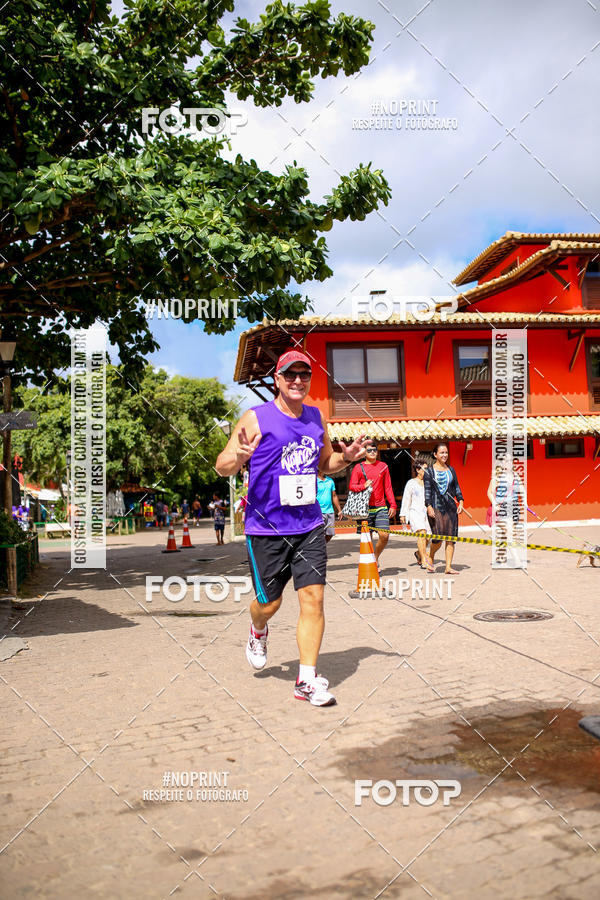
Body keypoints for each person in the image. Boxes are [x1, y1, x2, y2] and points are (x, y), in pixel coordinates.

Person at [215, 349, 368, 707]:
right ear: (277, 380)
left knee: (313, 599)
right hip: (266, 528)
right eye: (290, 374)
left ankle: (306, 679)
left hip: (309, 524)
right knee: (269, 603)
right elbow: (222, 465)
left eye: (304, 374)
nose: (298, 380)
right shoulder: (256, 417)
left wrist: (345, 458)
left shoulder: (316, 418)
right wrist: (239, 456)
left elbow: (325, 464)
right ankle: (258, 629)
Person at [348, 440, 396, 565]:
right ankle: (370, 565)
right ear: (364, 453)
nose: (372, 452)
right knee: (367, 539)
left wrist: (393, 504)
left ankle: (375, 557)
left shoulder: (383, 466)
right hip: (364, 508)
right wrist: (363, 486)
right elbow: (352, 486)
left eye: (374, 450)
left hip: (381, 507)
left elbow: (388, 487)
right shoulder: (358, 468)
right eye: (369, 450)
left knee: (384, 535)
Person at [424, 443, 464, 575]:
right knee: (438, 537)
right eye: (441, 452)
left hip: (451, 508)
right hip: (435, 507)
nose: (444, 455)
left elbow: (456, 487)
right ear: (435, 454)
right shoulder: (429, 472)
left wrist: (461, 502)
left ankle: (448, 567)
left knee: (451, 537)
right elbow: (428, 491)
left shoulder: (451, 470)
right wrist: (428, 506)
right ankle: (430, 555)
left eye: (446, 452)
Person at [400, 455, 433, 571]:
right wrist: (403, 514)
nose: (426, 471)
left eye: (427, 468)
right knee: (422, 533)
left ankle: (419, 553)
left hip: (426, 513)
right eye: (424, 469)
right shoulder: (411, 483)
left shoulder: (429, 483)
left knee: (428, 536)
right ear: (418, 470)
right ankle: (424, 560)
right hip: (415, 512)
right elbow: (406, 499)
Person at [316, 470, 342, 543]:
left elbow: (334, 495)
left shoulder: (330, 481)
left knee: (330, 534)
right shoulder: (314, 481)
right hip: (319, 512)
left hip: (330, 511)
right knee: (319, 534)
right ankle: (319, 550)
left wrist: (339, 510)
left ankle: (321, 547)